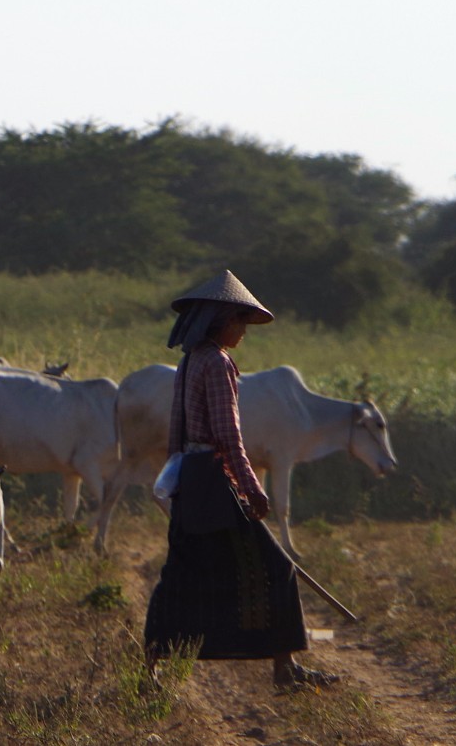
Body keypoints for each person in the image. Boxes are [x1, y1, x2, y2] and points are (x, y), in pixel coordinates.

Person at [143, 270, 336, 690]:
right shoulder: (217, 363)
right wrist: (251, 488)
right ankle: (285, 671)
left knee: (182, 572)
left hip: (192, 480)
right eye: (240, 322)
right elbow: (228, 437)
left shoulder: (191, 359)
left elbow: (179, 430)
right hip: (213, 481)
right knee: (277, 568)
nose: (243, 332)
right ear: (222, 321)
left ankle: (150, 672)